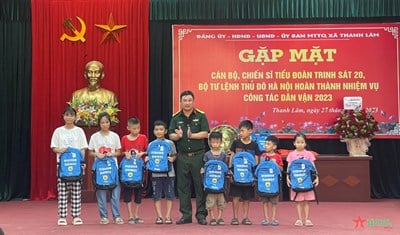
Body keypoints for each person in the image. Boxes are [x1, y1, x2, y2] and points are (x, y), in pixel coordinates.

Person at [168, 90, 209, 225]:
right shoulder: (176, 117)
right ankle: (186, 215)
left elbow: (205, 133)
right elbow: (170, 135)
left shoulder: (201, 116)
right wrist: (178, 136)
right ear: (181, 102)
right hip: (182, 157)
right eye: (184, 100)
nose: (187, 103)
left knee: (200, 186)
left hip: (198, 156)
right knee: (183, 187)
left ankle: (201, 215)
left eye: (189, 100)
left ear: (193, 101)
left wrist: (192, 135)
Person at [50, 107, 88, 226]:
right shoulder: (58, 131)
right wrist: (60, 149)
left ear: (75, 117)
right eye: (67, 115)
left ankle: (76, 216)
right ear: (63, 116)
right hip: (63, 165)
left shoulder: (79, 131)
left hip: (76, 165)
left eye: (72, 115)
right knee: (62, 191)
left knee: (76, 191)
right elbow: (53, 147)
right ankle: (62, 216)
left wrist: (82, 163)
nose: (69, 117)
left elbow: (83, 148)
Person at [88, 112, 123, 225]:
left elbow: (119, 151)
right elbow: (90, 152)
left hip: (113, 169)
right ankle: (103, 216)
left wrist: (112, 154)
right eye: (102, 122)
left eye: (107, 122)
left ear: (110, 123)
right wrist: (97, 154)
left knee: (115, 194)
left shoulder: (115, 136)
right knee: (101, 193)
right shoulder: (94, 136)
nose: (104, 124)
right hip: (100, 169)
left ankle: (117, 216)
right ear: (99, 123)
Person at [228, 120, 262, 226]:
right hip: (236, 174)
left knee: (247, 197)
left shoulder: (254, 145)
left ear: (250, 131)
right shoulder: (236, 143)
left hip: (249, 176)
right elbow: (232, 156)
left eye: (242, 131)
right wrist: (230, 170)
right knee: (235, 196)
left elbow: (256, 160)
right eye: (240, 131)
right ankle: (235, 217)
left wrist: (254, 174)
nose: (240, 133)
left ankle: (245, 217)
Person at [146, 120, 177, 224]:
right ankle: (159, 216)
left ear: (165, 131)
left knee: (170, 194)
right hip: (155, 173)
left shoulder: (170, 143)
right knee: (156, 195)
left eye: (161, 129)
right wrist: (147, 159)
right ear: (154, 131)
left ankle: (168, 216)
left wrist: (173, 159)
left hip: (169, 173)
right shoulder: (151, 144)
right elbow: (149, 156)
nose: (159, 132)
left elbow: (174, 155)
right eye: (156, 129)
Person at [286, 133, 319, 227]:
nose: (300, 144)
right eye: (298, 142)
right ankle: (299, 219)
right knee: (299, 201)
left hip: (307, 181)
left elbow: (313, 167)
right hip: (296, 182)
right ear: (294, 143)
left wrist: (317, 177)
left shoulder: (309, 154)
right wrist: (287, 178)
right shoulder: (291, 155)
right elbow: (289, 168)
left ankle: (307, 219)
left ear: (305, 143)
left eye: (302, 142)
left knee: (307, 201)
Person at [120, 117, 148, 224]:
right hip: (128, 169)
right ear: (128, 128)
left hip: (138, 169)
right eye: (134, 128)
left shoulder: (143, 137)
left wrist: (142, 153)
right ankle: (130, 215)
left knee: (138, 192)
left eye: (138, 128)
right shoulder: (124, 138)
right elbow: (121, 151)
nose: (136, 131)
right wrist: (125, 153)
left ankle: (136, 214)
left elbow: (146, 151)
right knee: (127, 191)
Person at [200, 132, 228, 226]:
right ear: (210, 143)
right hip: (210, 183)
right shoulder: (207, 155)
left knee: (221, 202)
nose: (215, 144)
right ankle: (212, 218)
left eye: (217, 142)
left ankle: (220, 217)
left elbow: (225, 168)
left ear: (221, 143)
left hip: (220, 183)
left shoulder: (223, 155)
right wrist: (202, 171)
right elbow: (204, 167)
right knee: (210, 202)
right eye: (213, 142)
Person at [258, 135, 283, 226]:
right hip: (264, 182)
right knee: (265, 201)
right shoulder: (263, 156)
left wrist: (275, 164)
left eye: (268, 144)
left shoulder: (277, 156)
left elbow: (281, 169)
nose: (265, 146)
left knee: (274, 202)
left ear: (274, 146)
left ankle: (273, 219)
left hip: (274, 183)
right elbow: (260, 168)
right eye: (265, 144)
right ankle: (266, 219)